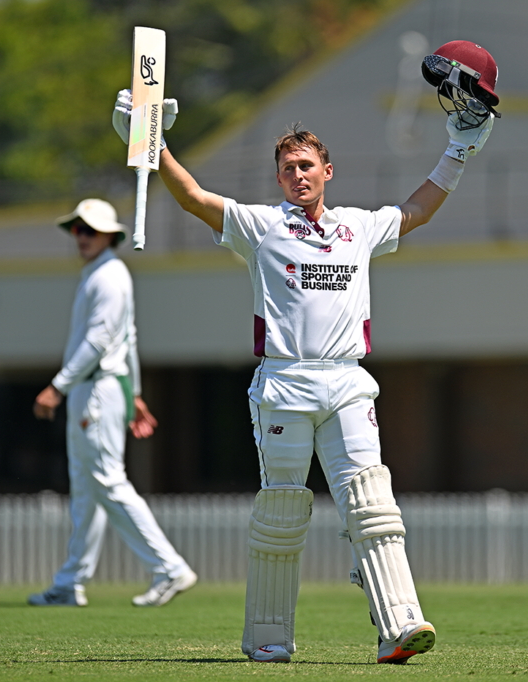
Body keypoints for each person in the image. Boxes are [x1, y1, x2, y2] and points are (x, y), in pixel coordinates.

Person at [113, 40, 498, 663]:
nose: (297, 175)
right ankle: (268, 640)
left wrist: (457, 149)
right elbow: (192, 198)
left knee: (370, 502)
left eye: (306, 166)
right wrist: (151, 146)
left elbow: (418, 209)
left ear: (326, 171)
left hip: (347, 382)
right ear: (279, 177)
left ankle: (400, 625)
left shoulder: (357, 227)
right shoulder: (260, 227)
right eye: (288, 167)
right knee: (282, 514)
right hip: (284, 383)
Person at [28, 198, 197, 608]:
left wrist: (59, 385)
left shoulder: (108, 277)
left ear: (110, 235)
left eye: (89, 230)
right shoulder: (101, 275)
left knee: (106, 481)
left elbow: (101, 341)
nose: (81, 237)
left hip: (96, 390)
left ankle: (169, 567)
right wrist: (134, 393)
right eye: (77, 230)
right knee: (87, 488)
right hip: (99, 389)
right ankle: (70, 581)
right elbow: (129, 339)